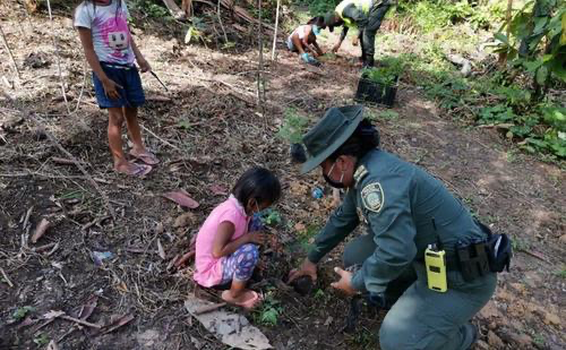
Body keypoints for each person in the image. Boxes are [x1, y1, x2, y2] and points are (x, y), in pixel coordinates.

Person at [289, 105, 510, 349]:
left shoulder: (378, 184)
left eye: (323, 167)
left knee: (397, 341)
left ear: (341, 162)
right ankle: (408, 302)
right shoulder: (366, 169)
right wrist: (312, 259)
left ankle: (461, 336)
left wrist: (356, 282)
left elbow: (397, 251)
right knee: (357, 253)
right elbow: (343, 218)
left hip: (460, 280)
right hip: (426, 261)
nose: (324, 174)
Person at [75, 0, 159, 177]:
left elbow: (126, 32)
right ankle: (119, 161)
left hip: (128, 67)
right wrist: (104, 80)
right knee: (116, 117)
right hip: (107, 70)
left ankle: (138, 147)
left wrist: (139, 57)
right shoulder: (86, 11)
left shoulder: (118, 4)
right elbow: (88, 50)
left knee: (132, 109)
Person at [194, 167, 281, 309]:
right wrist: (247, 238)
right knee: (250, 252)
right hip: (211, 270)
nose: (264, 210)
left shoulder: (242, 210)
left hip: (222, 259)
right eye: (264, 206)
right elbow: (217, 252)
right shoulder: (231, 216)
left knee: (256, 222)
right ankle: (234, 294)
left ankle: (243, 265)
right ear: (252, 202)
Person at [323, 0, 394, 67]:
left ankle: (369, 65)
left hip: (379, 3)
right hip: (373, 6)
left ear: (336, 20)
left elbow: (362, 20)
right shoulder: (338, 12)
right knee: (363, 31)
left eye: (335, 25)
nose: (337, 26)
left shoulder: (346, 10)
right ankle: (364, 59)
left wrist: (356, 36)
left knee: (367, 32)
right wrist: (339, 43)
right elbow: (346, 26)